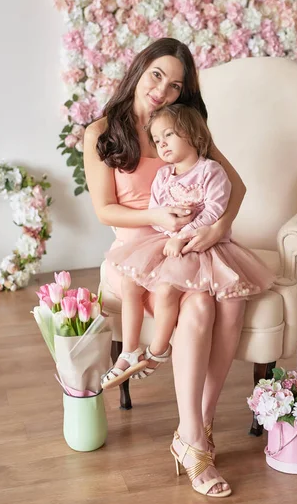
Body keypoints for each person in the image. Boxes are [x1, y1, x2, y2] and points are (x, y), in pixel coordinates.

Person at [84, 38, 250, 498]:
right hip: (141, 248)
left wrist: (218, 229)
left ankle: (197, 431)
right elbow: (105, 210)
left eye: (175, 85)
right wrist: (158, 218)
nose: (162, 90)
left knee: (225, 306)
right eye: (157, 74)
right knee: (198, 311)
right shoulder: (101, 131)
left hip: (187, 244)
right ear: (139, 69)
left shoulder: (181, 126)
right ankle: (194, 440)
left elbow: (233, 187)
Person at [101, 104, 273, 392]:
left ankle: (158, 350)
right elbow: (158, 211)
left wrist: (183, 235)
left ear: (192, 135)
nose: (162, 143)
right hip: (169, 241)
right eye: (157, 139)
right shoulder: (163, 176)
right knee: (131, 282)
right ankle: (129, 351)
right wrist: (170, 228)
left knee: (168, 289)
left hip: (200, 245)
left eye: (169, 134)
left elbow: (214, 212)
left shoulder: (211, 171)